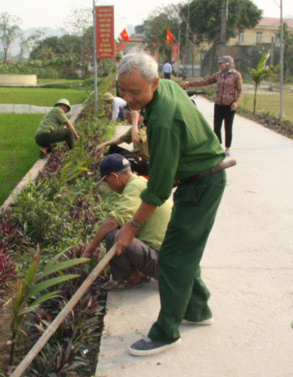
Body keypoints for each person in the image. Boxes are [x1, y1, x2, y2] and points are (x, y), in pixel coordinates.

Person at [114, 52, 233, 356]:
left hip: (202, 185)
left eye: (135, 92)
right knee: (182, 251)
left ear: (153, 83)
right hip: (197, 180)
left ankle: (167, 332)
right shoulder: (166, 87)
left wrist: (131, 226)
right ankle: (198, 310)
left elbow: (158, 190)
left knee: (172, 259)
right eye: (123, 90)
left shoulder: (164, 120)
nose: (128, 98)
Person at [81, 154, 173, 290]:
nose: (109, 187)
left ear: (115, 176)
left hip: (164, 264)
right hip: (169, 260)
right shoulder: (140, 182)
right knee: (124, 230)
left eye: (107, 182)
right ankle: (138, 273)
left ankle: (127, 278)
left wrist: (89, 250)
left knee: (114, 235)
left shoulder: (134, 187)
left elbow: (113, 222)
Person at [182, 55, 243, 156]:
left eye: (222, 63)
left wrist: (236, 102)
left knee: (228, 127)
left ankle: (227, 148)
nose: (220, 65)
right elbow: (206, 81)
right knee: (217, 126)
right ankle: (217, 146)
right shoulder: (219, 75)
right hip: (219, 104)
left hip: (230, 105)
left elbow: (240, 90)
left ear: (228, 63)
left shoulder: (236, 75)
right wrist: (190, 84)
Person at [92, 108, 150, 175]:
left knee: (127, 159)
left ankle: (128, 178)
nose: (126, 120)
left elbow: (136, 138)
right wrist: (104, 144)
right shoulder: (136, 127)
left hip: (146, 162)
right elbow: (121, 139)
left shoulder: (146, 127)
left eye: (128, 118)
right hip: (138, 157)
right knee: (113, 148)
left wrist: (135, 119)